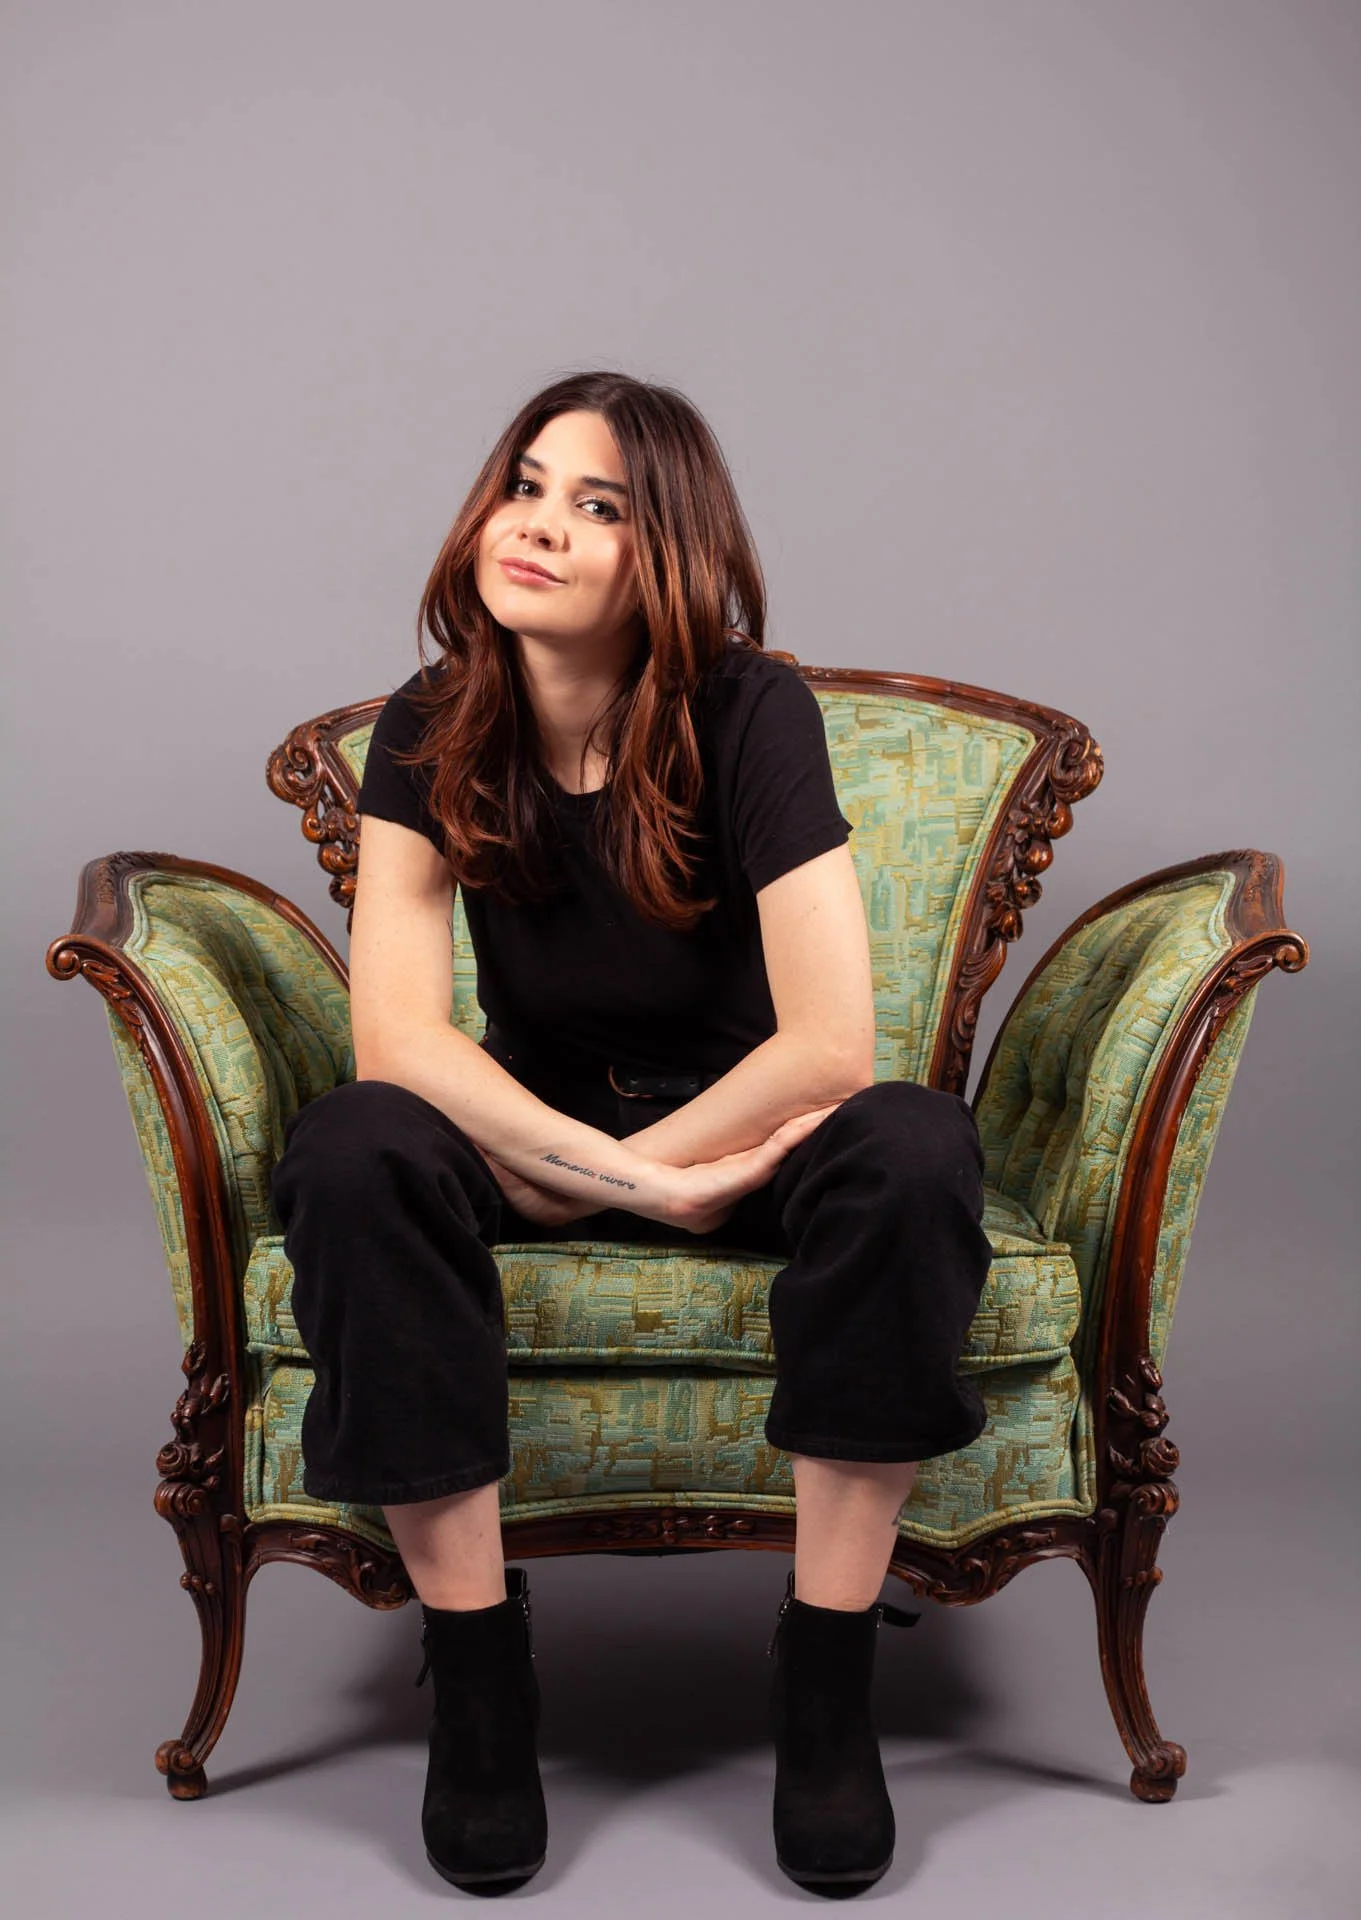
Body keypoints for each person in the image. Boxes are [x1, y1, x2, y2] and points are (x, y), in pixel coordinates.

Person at [269, 370, 993, 1898]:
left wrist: (678, 1174)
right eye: (524, 484)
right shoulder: (431, 720)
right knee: (353, 1143)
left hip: (753, 1129)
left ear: (662, 546)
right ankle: (478, 1680)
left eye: (594, 505)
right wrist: (608, 1176)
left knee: (918, 1146)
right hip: (543, 1136)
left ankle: (827, 1679)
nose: (536, 526)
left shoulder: (750, 708)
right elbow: (398, 1037)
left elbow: (827, 1044)